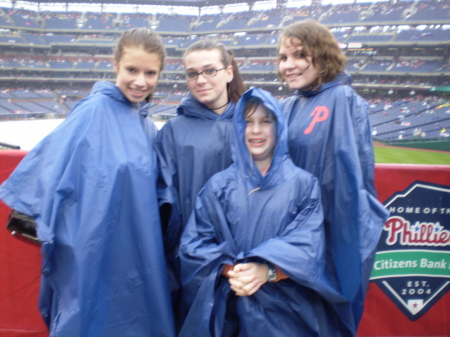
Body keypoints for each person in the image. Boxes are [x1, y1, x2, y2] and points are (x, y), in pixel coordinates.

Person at [0, 28, 176, 337]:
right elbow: (46, 167)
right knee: (87, 317)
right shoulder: (92, 112)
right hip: (90, 248)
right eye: (131, 70)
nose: (140, 81)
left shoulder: (145, 122)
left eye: (150, 73)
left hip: (135, 249)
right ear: (115, 65)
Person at [178, 87, 344, 337]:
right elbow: (193, 245)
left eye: (265, 122)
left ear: (278, 128)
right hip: (229, 313)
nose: (256, 130)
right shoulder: (219, 185)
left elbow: (309, 248)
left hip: (286, 315)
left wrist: (266, 271)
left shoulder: (303, 185)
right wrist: (231, 270)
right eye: (248, 122)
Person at [277, 19, 389, 336]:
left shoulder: (344, 100)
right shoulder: (287, 106)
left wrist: (321, 246)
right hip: (290, 241)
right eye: (283, 58)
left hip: (323, 242)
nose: (289, 65)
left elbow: (348, 188)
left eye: (299, 55)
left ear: (323, 56)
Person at [156, 39, 246, 232]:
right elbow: (164, 202)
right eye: (192, 73)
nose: (201, 80)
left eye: (210, 71)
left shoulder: (254, 126)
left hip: (246, 254)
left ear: (229, 73)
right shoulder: (172, 132)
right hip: (191, 253)